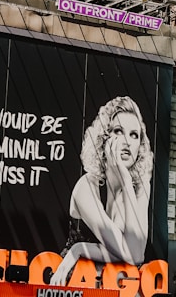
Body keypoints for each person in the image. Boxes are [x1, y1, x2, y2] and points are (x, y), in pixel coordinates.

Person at [50, 96, 153, 285]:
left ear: (140, 146)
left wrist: (80, 249)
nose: (127, 142)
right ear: (103, 139)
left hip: (114, 284)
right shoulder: (87, 186)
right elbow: (129, 253)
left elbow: (136, 255)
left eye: (134, 135)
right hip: (75, 281)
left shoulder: (140, 187)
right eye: (118, 131)